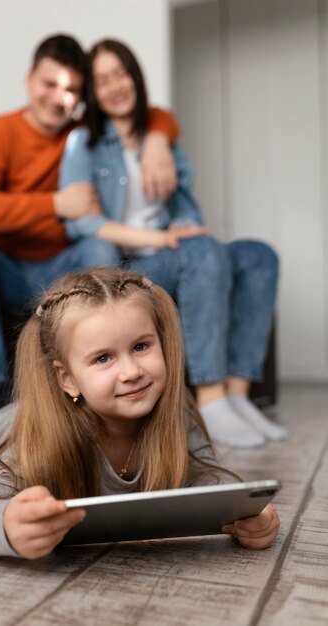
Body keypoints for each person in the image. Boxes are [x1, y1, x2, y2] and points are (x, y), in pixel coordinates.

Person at [0, 268, 280, 559]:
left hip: (25, 400)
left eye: (141, 346)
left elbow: (208, 474)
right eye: (104, 357)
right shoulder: (35, 446)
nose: (131, 371)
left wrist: (247, 513)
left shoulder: (173, 416)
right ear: (67, 378)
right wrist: (4, 524)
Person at [59, 38, 289, 448]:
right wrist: (162, 238)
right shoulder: (84, 144)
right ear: (92, 93)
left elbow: (183, 204)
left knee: (258, 255)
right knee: (201, 252)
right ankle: (211, 399)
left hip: (173, 250)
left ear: (136, 76)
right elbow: (85, 225)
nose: (114, 86)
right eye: (102, 80)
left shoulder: (160, 134)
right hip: (130, 264)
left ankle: (238, 396)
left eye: (121, 73)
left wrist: (182, 226)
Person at [0, 34, 179, 393]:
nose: (58, 97)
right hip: (5, 268)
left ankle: (99, 376)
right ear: (29, 79)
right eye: (50, 84)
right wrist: (56, 204)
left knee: (98, 247)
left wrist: (157, 140)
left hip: (63, 266)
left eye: (72, 90)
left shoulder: (81, 137)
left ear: (82, 98)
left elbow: (156, 115)